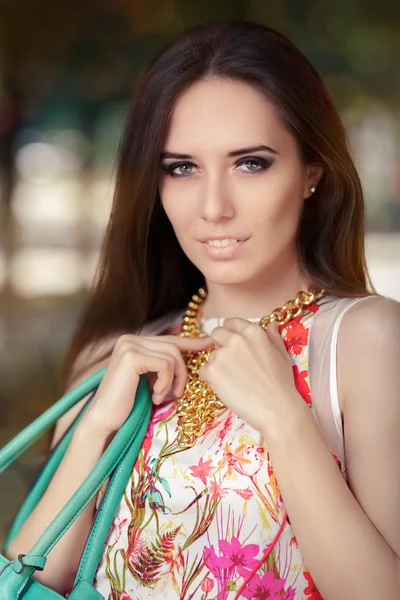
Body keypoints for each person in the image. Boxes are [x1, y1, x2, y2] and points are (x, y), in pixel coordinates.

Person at [6, 19, 400, 600]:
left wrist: (286, 422)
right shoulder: (117, 358)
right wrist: (93, 425)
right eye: (181, 168)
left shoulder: (364, 342)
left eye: (251, 163)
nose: (213, 207)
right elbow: (32, 581)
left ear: (311, 171)